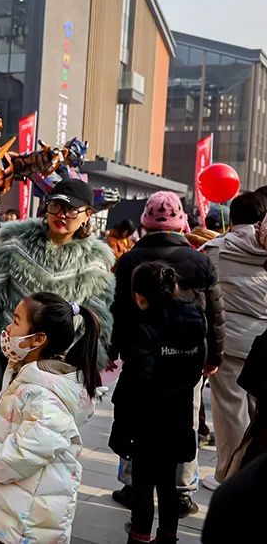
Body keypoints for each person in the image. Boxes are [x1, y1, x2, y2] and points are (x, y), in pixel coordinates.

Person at [109, 190, 225, 516]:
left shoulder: (130, 260)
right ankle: (182, 490)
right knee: (186, 418)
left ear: (145, 223)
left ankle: (133, 485)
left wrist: (112, 348)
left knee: (135, 416)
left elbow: (118, 309)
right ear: (181, 223)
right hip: (187, 356)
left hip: (140, 355)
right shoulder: (200, 261)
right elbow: (215, 312)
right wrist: (214, 355)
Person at [0, 292, 103, 544]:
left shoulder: (44, 392)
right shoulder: (28, 374)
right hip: (18, 502)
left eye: (16, 321)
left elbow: (30, 447)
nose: (8, 328)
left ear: (38, 339)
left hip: (30, 515)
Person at [0, 178, 116, 411]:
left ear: (88, 214)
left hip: (59, 364)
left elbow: (96, 317)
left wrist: (85, 362)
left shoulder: (95, 260)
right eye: (56, 206)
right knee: (2, 419)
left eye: (71, 210)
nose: (61, 215)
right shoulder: (15, 243)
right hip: (11, 353)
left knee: (43, 424)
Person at [109, 263, 205, 544]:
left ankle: (139, 537)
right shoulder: (194, 319)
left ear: (140, 297)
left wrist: (121, 429)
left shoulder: (142, 328)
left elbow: (130, 385)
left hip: (146, 421)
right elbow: (196, 369)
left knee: (142, 486)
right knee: (168, 485)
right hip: (178, 415)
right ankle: (167, 537)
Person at [200, 192, 267, 488]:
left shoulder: (216, 249)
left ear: (232, 217)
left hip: (228, 340)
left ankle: (230, 476)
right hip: (262, 341)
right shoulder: (265, 249)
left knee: (230, 411)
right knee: (258, 413)